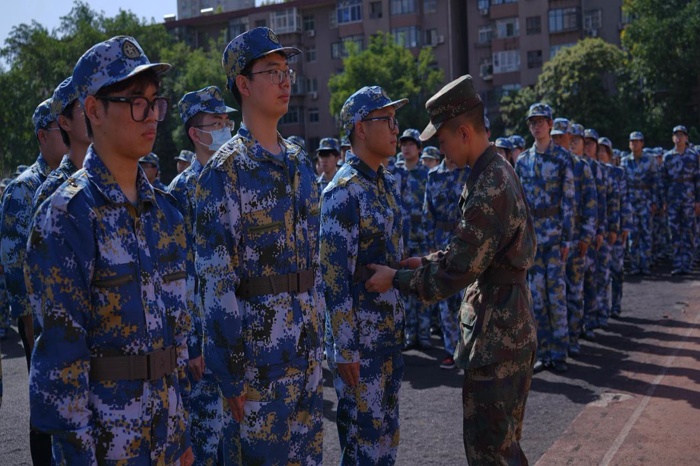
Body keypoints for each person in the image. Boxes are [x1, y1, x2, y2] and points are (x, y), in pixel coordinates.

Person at [24, 35, 193, 466]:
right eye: (135, 101)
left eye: (154, 102)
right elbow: (60, 370)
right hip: (109, 450)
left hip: (169, 441)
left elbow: (176, 343)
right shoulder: (66, 217)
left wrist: (183, 438)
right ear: (93, 110)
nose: (150, 114)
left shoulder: (167, 213)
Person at [365, 74, 537, 465]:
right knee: (502, 449)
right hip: (504, 324)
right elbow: (473, 251)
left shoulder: (489, 184)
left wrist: (397, 279)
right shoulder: (493, 170)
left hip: (499, 335)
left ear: (463, 132)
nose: (439, 148)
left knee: (491, 452)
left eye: (441, 139)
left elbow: (455, 272)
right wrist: (427, 261)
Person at [195, 27, 323, 465]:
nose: (285, 80)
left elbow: (315, 263)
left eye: (287, 71)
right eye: (272, 71)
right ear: (243, 85)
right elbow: (216, 283)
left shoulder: (300, 162)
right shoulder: (225, 171)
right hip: (257, 369)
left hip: (306, 358)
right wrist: (229, 374)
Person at [320, 85, 407, 465]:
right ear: (360, 127)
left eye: (395, 120)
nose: (395, 128)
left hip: (387, 334)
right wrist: (345, 349)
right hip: (360, 344)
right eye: (386, 120)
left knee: (387, 440)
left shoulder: (384, 182)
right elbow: (334, 279)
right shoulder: (342, 192)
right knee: (362, 447)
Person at [169, 85, 237, 465]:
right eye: (217, 122)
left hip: (243, 332)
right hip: (205, 342)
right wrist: (192, 344)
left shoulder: (240, 176)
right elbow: (180, 274)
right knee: (208, 445)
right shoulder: (180, 192)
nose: (226, 127)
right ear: (196, 133)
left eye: (227, 120)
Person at [0, 96, 65, 466]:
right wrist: (30, 330)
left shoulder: (79, 180)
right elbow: (14, 266)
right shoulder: (23, 190)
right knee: (45, 412)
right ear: (43, 135)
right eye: (60, 127)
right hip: (38, 324)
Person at [515, 103, 574, 373]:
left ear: (550, 124)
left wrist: (567, 239)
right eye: (532, 122)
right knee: (536, 299)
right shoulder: (523, 160)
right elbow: (518, 203)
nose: (536, 126)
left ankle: (560, 352)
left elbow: (569, 200)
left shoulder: (562, 157)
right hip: (532, 241)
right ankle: (545, 352)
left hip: (555, 238)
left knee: (557, 297)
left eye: (541, 121)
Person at [422, 144, 471, 369]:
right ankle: (451, 349)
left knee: (466, 300)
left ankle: (468, 350)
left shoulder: (469, 173)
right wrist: (429, 246)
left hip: (465, 243)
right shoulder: (434, 175)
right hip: (441, 243)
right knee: (445, 301)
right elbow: (427, 212)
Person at [33, 76, 90, 217]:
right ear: (65, 123)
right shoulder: (53, 190)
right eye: (84, 107)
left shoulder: (115, 176)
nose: (94, 112)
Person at [398, 127, 431, 350]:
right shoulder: (394, 174)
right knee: (405, 286)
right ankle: (410, 333)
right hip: (402, 239)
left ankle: (424, 333)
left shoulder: (427, 174)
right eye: (404, 143)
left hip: (422, 239)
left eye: (411, 143)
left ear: (419, 148)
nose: (406, 147)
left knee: (424, 285)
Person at [565, 124, 597, 357]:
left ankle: (574, 337)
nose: (574, 142)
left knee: (576, 291)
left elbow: (591, 205)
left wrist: (587, 236)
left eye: (578, 138)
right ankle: (556, 342)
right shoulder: (558, 163)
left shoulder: (582, 167)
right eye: (571, 138)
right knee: (554, 295)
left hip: (577, 240)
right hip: (556, 239)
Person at [661, 125, 700, 275]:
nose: (679, 138)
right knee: (674, 231)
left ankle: (687, 263)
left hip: (689, 198)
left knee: (689, 231)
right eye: (676, 135)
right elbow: (663, 180)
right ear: (672, 138)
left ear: (686, 138)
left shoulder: (693, 156)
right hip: (672, 198)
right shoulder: (668, 157)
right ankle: (678, 263)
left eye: (682, 135)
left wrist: (698, 200)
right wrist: (664, 200)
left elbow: (697, 179)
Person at [621, 131, 660, 276]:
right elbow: (622, 184)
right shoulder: (625, 161)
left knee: (646, 233)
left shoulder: (650, 160)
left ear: (642, 143)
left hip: (646, 200)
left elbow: (655, 182)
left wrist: (655, 201)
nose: (634, 144)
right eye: (632, 141)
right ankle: (635, 265)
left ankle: (645, 264)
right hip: (631, 201)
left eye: (637, 141)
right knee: (633, 235)